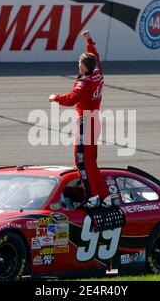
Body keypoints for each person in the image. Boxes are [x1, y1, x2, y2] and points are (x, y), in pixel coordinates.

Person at [49, 30, 109, 208]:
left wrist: (55, 97)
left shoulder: (85, 82)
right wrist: (89, 40)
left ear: (83, 67)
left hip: (85, 121)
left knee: (81, 160)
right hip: (95, 119)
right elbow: (95, 56)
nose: (78, 67)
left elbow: (71, 99)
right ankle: (104, 196)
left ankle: (92, 197)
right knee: (91, 161)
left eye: (79, 64)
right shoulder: (97, 72)